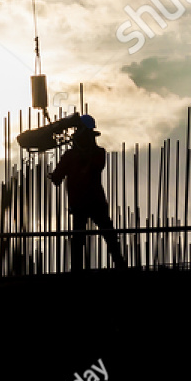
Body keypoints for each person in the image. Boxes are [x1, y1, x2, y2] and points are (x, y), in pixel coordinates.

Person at [50, 115, 127, 270]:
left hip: (92, 202)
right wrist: (55, 176)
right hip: (82, 203)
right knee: (81, 238)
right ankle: (78, 269)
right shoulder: (72, 156)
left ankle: (119, 265)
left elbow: (92, 167)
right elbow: (57, 178)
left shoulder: (96, 153)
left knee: (108, 235)